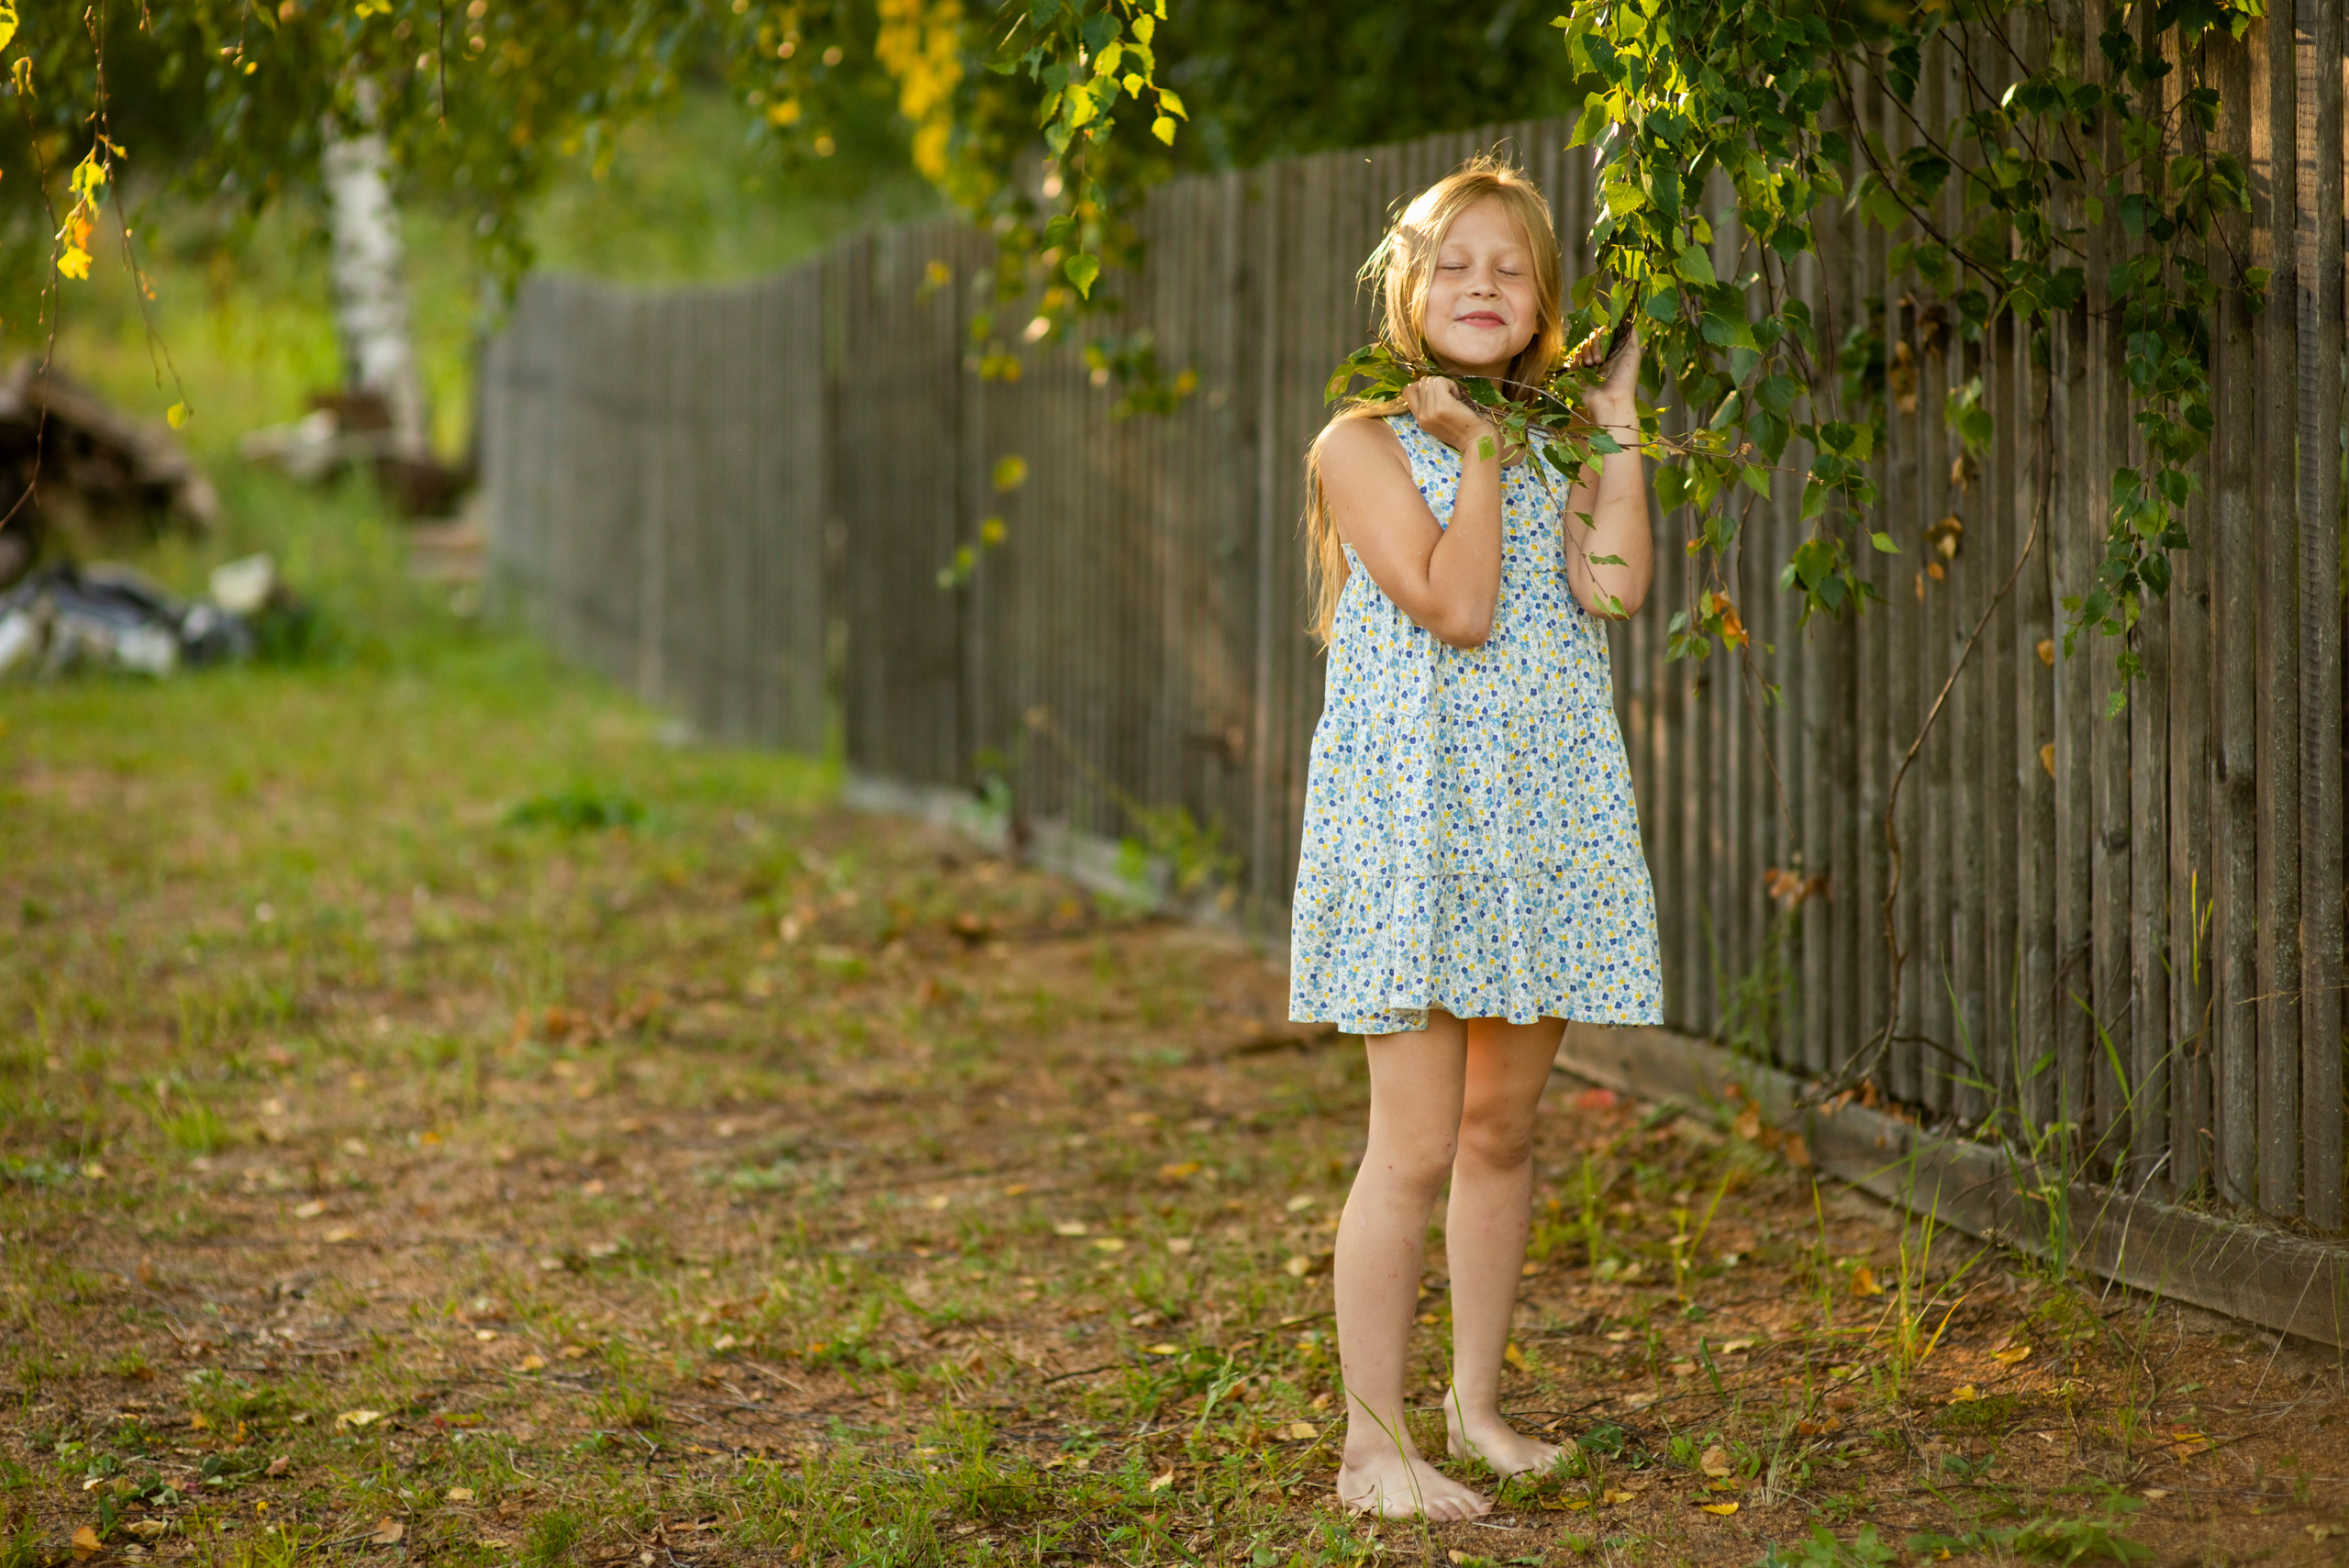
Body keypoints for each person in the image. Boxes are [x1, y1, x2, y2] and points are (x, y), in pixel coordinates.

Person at [1289, 155, 1664, 1521]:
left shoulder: (1557, 436)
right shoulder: (1362, 442)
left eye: (1511, 268)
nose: (1484, 286)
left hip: (1541, 815)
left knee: (1503, 1132)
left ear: (1546, 299)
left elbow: (1611, 588)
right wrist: (1484, 449)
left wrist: (1609, 427)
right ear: (1407, 290)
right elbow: (1456, 607)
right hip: (1421, 824)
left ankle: (1477, 1408)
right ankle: (1370, 1445)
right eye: (1456, 263)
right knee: (1416, 1144)